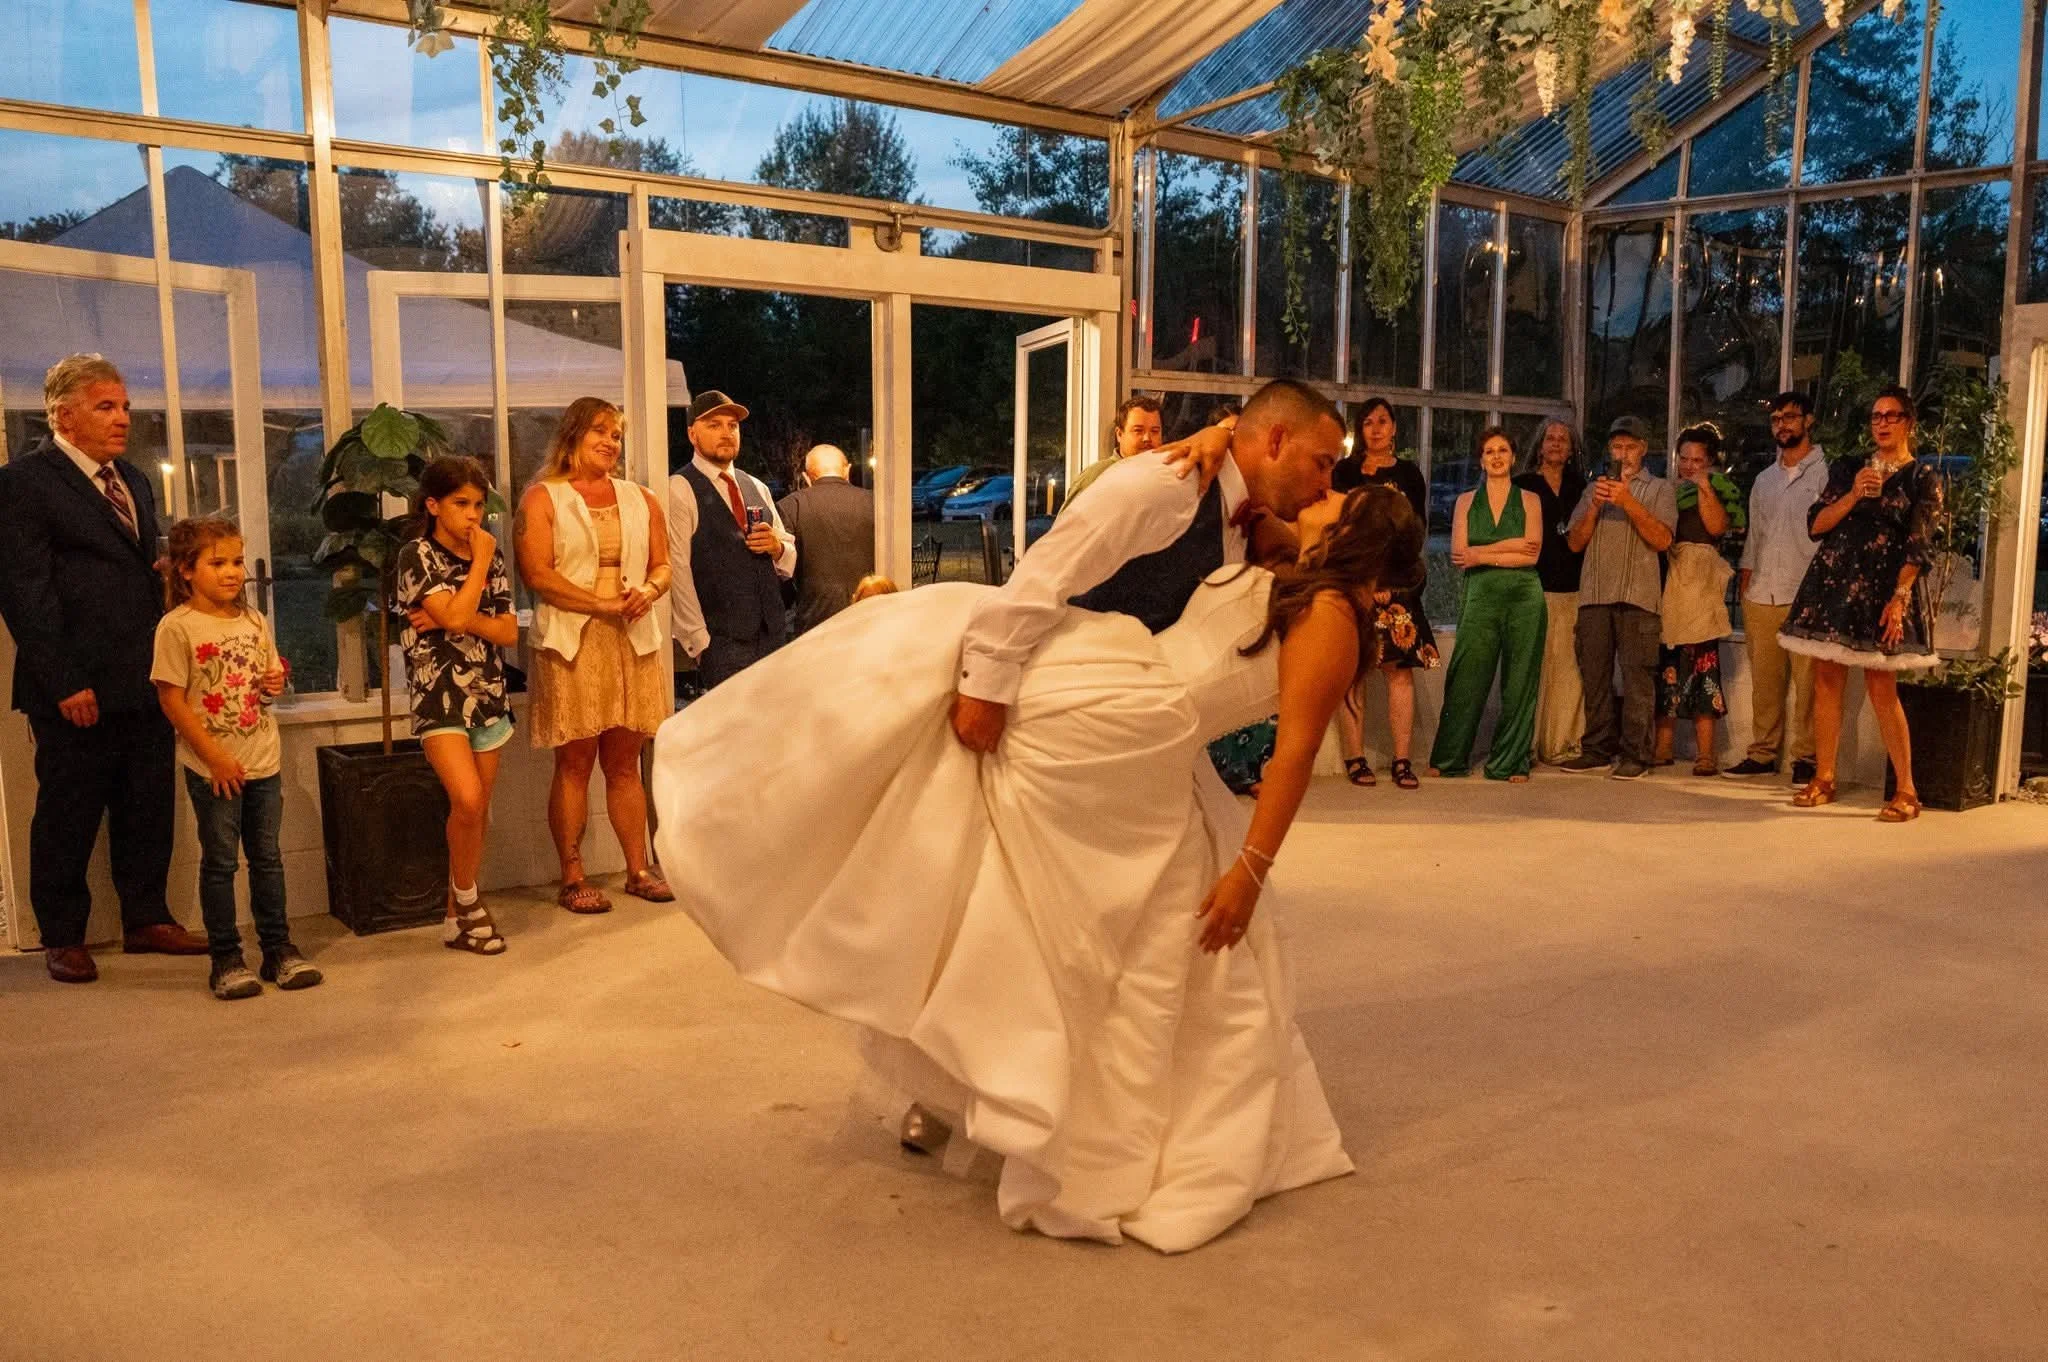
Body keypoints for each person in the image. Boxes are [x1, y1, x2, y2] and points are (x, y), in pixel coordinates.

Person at [650, 483, 1424, 1253]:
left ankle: (1075, 1128)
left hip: (1145, 729)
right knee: (941, 684)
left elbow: (1291, 760)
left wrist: (1249, 875)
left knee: (1093, 941)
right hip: (1125, 691)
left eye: (1338, 497)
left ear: (1358, 537)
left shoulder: (1330, 620)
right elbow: (1249, 499)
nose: (1322, 490)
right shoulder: (1297, 574)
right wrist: (1218, 455)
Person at [950, 378, 1342, 753]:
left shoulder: (1247, 518)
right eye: (1322, 463)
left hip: (1131, 725)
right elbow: (1050, 567)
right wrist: (984, 686)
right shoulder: (1168, 484)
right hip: (1058, 704)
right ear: (1276, 440)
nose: (1327, 482)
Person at [0, 354, 209, 984]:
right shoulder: (23, 483)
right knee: (69, 809)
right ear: (63, 414)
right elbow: (23, 592)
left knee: (147, 804)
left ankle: (146, 918)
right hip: (75, 685)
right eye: (106, 407)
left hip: (143, 677)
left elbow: (142, 573)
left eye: (124, 407)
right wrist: (63, 680)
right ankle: (62, 935)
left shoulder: (136, 482)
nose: (122, 419)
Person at [517, 397, 675, 916]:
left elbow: (662, 566)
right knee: (576, 762)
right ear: (573, 436)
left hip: (632, 640)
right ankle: (573, 874)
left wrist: (647, 593)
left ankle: (638, 869)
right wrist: (601, 603)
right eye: (600, 432)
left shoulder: (640, 498)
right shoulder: (543, 498)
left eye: (617, 434)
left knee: (625, 762)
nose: (611, 442)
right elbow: (537, 574)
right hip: (573, 642)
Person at [151, 516, 316, 999]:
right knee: (221, 863)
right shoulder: (176, 628)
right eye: (217, 562)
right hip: (214, 768)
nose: (231, 572)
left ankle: (278, 950)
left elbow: (267, 679)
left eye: (237, 561)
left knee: (268, 858)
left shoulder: (253, 620)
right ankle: (225, 958)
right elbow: (172, 700)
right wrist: (215, 759)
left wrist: (273, 685)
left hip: (262, 759)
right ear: (186, 570)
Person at [1777, 387, 1942, 821]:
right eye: (1876, 417)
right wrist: (1853, 494)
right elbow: (1817, 523)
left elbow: (1920, 545)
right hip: (1835, 582)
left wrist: (1900, 597)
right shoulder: (1851, 467)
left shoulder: (1922, 476)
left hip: (1882, 589)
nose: (1882, 423)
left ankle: (1906, 789)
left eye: (1891, 416)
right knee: (1826, 679)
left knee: (1880, 687)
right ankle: (1824, 776)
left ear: (1908, 422)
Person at [397, 456, 519, 955]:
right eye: (460, 504)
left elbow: (508, 631)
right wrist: (468, 593)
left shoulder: (491, 556)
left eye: (479, 505)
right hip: (438, 695)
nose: (473, 515)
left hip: (487, 695)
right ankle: (470, 900)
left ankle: (455, 919)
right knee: (466, 799)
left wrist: (455, 618)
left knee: (475, 812)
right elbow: (458, 610)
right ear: (433, 505)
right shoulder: (416, 555)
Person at [1560, 415, 1678, 780]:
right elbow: (1575, 542)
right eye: (1616, 447)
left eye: (1630, 447)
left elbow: (1662, 540)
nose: (1623, 454)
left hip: (1639, 597)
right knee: (1595, 676)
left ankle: (1636, 755)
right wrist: (1596, 505)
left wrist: (1627, 501)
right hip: (1595, 594)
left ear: (1643, 449)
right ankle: (1596, 749)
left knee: (1637, 678)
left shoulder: (1660, 489)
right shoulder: (1592, 490)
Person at [1327, 397, 1436, 790]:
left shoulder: (1409, 474)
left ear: (1394, 428)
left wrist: (1395, 583)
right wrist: (1362, 582)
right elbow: (1337, 529)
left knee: (1399, 672)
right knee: (1353, 674)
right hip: (1355, 584)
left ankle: (1402, 760)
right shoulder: (1344, 471)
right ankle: (1356, 759)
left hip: (1398, 586)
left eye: (1384, 421)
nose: (1376, 428)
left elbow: (1416, 530)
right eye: (1369, 421)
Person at [1427, 427, 1545, 782]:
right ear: (1481, 460)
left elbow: (1532, 554)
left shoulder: (1530, 500)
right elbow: (1461, 555)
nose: (1496, 456)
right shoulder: (1465, 501)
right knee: (1467, 675)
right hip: (1479, 595)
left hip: (1525, 596)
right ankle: (1450, 758)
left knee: (1520, 680)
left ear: (1512, 456)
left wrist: (1484, 552)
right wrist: (1506, 547)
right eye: (1489, 451)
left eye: (1503, 450)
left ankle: (1510, 761)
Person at [1724, 391, 1827, 784]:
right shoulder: (1764, 480)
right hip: (1762, 593)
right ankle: (1763, 752)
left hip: (1806, 592)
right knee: (1765, 684)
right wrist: (1747, 580)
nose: (1782, 425)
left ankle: (1807, 758)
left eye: (1790, 417)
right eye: (1776, 419)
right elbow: (1756, 535)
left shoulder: (1825, 473)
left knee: (1809, 686)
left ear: (1808, 421)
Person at [667, 390, 793, 689]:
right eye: (714, 425)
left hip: (772, 637)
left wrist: (778, 549)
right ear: (692, 435)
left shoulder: (757, 487)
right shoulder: (680, 488)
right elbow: (677, 569)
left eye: (732, 426)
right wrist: (698, 641)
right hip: (721, 643)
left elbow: (789, 557)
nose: (726, 433)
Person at [1654, 424, 1744, 776]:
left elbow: (1717, 528)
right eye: (1685, 459)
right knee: (1668, 667)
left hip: (1701, 586)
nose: (1690, 465)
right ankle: (1662, 747)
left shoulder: (1717, 490)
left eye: (1698, 460)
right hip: (1670, 585)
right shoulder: (1667, 492)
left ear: (1710, 462)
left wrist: (1705, 486)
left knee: (1705, 668)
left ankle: (1706, 754)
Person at [1514, 417, 1589, 765]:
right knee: (1533, 670)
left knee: (1569, 672)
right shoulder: (1523, 486)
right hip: (1533, 588)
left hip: (1573, 590)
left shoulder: (1582, 487)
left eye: (1563, 439)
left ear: (1572, 448)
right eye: (1550, 438)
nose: (1557, 443)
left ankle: (1562, 743)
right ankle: (1524, 745)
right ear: (1540, 445)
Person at [777, 444, 875, 636]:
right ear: (847, 470)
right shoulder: (875, 502)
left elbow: (782, 570)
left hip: (814, 621)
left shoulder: (791, 506)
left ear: (806, 477)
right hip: (870, 615)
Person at [1061, 393, 1166, 505]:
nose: (1147, 438)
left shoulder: (1166, 478)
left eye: (1154, 431)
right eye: (1138, 431)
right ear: (1119, 434)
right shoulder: (1096, 477)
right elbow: (1067, 522)